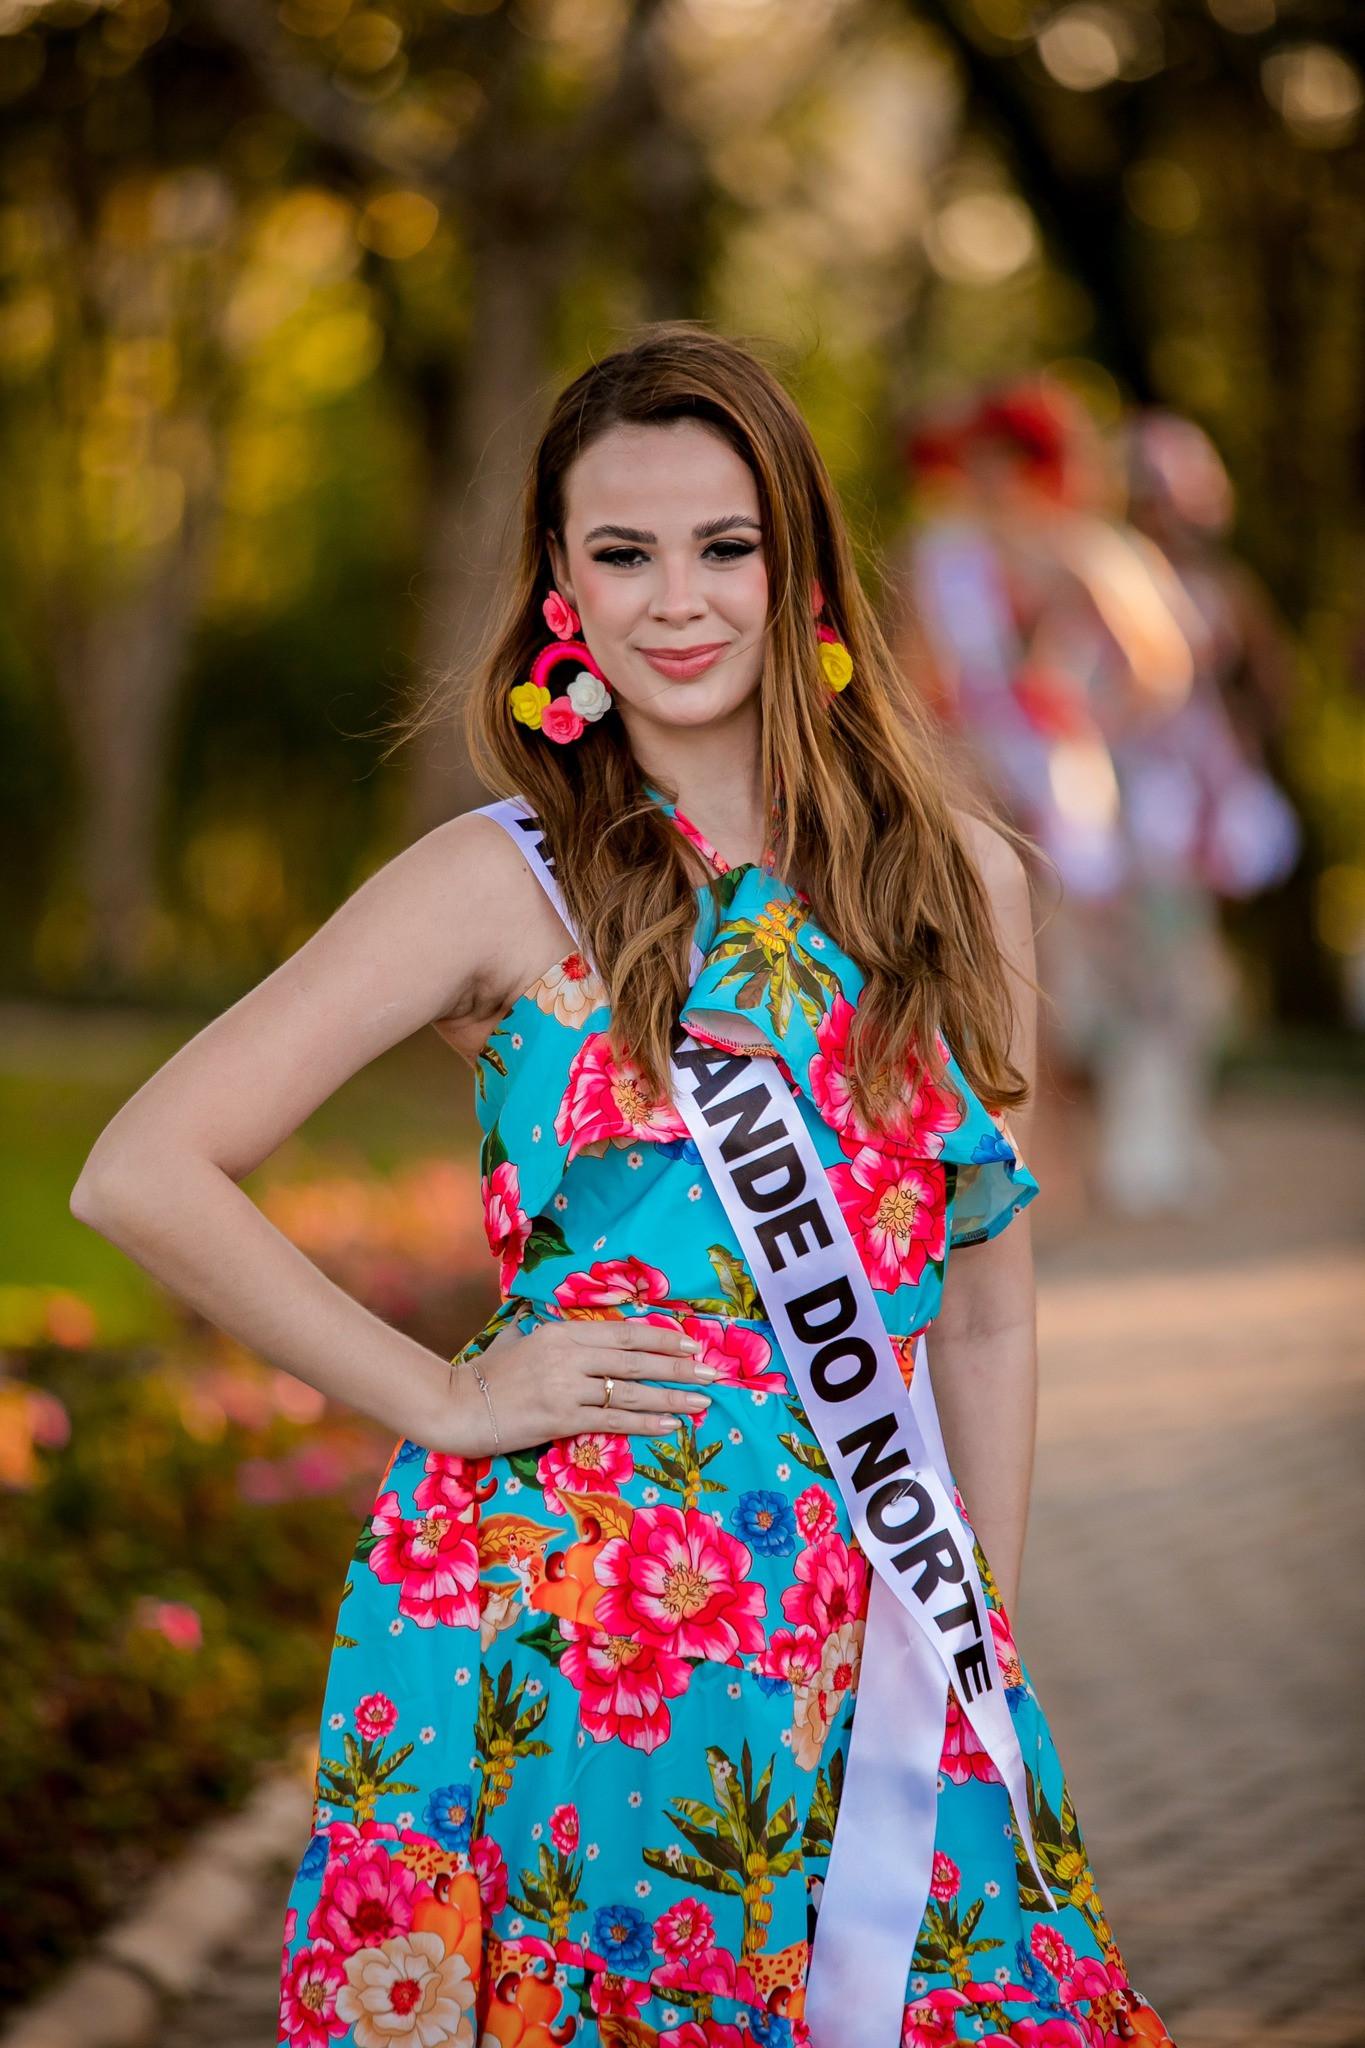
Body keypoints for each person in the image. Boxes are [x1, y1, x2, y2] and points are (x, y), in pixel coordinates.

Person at [72, 329, 1173, 2048]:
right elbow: (142, 1169)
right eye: (622, 552)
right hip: (555, 1633)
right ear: (559, 590)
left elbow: (986, 1309)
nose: (680, 600)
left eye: (725, 546)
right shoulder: (494, 882)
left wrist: (969, 1646)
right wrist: (441, 1394)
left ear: (798, 566)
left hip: (871, 1610)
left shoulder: (962, 885)